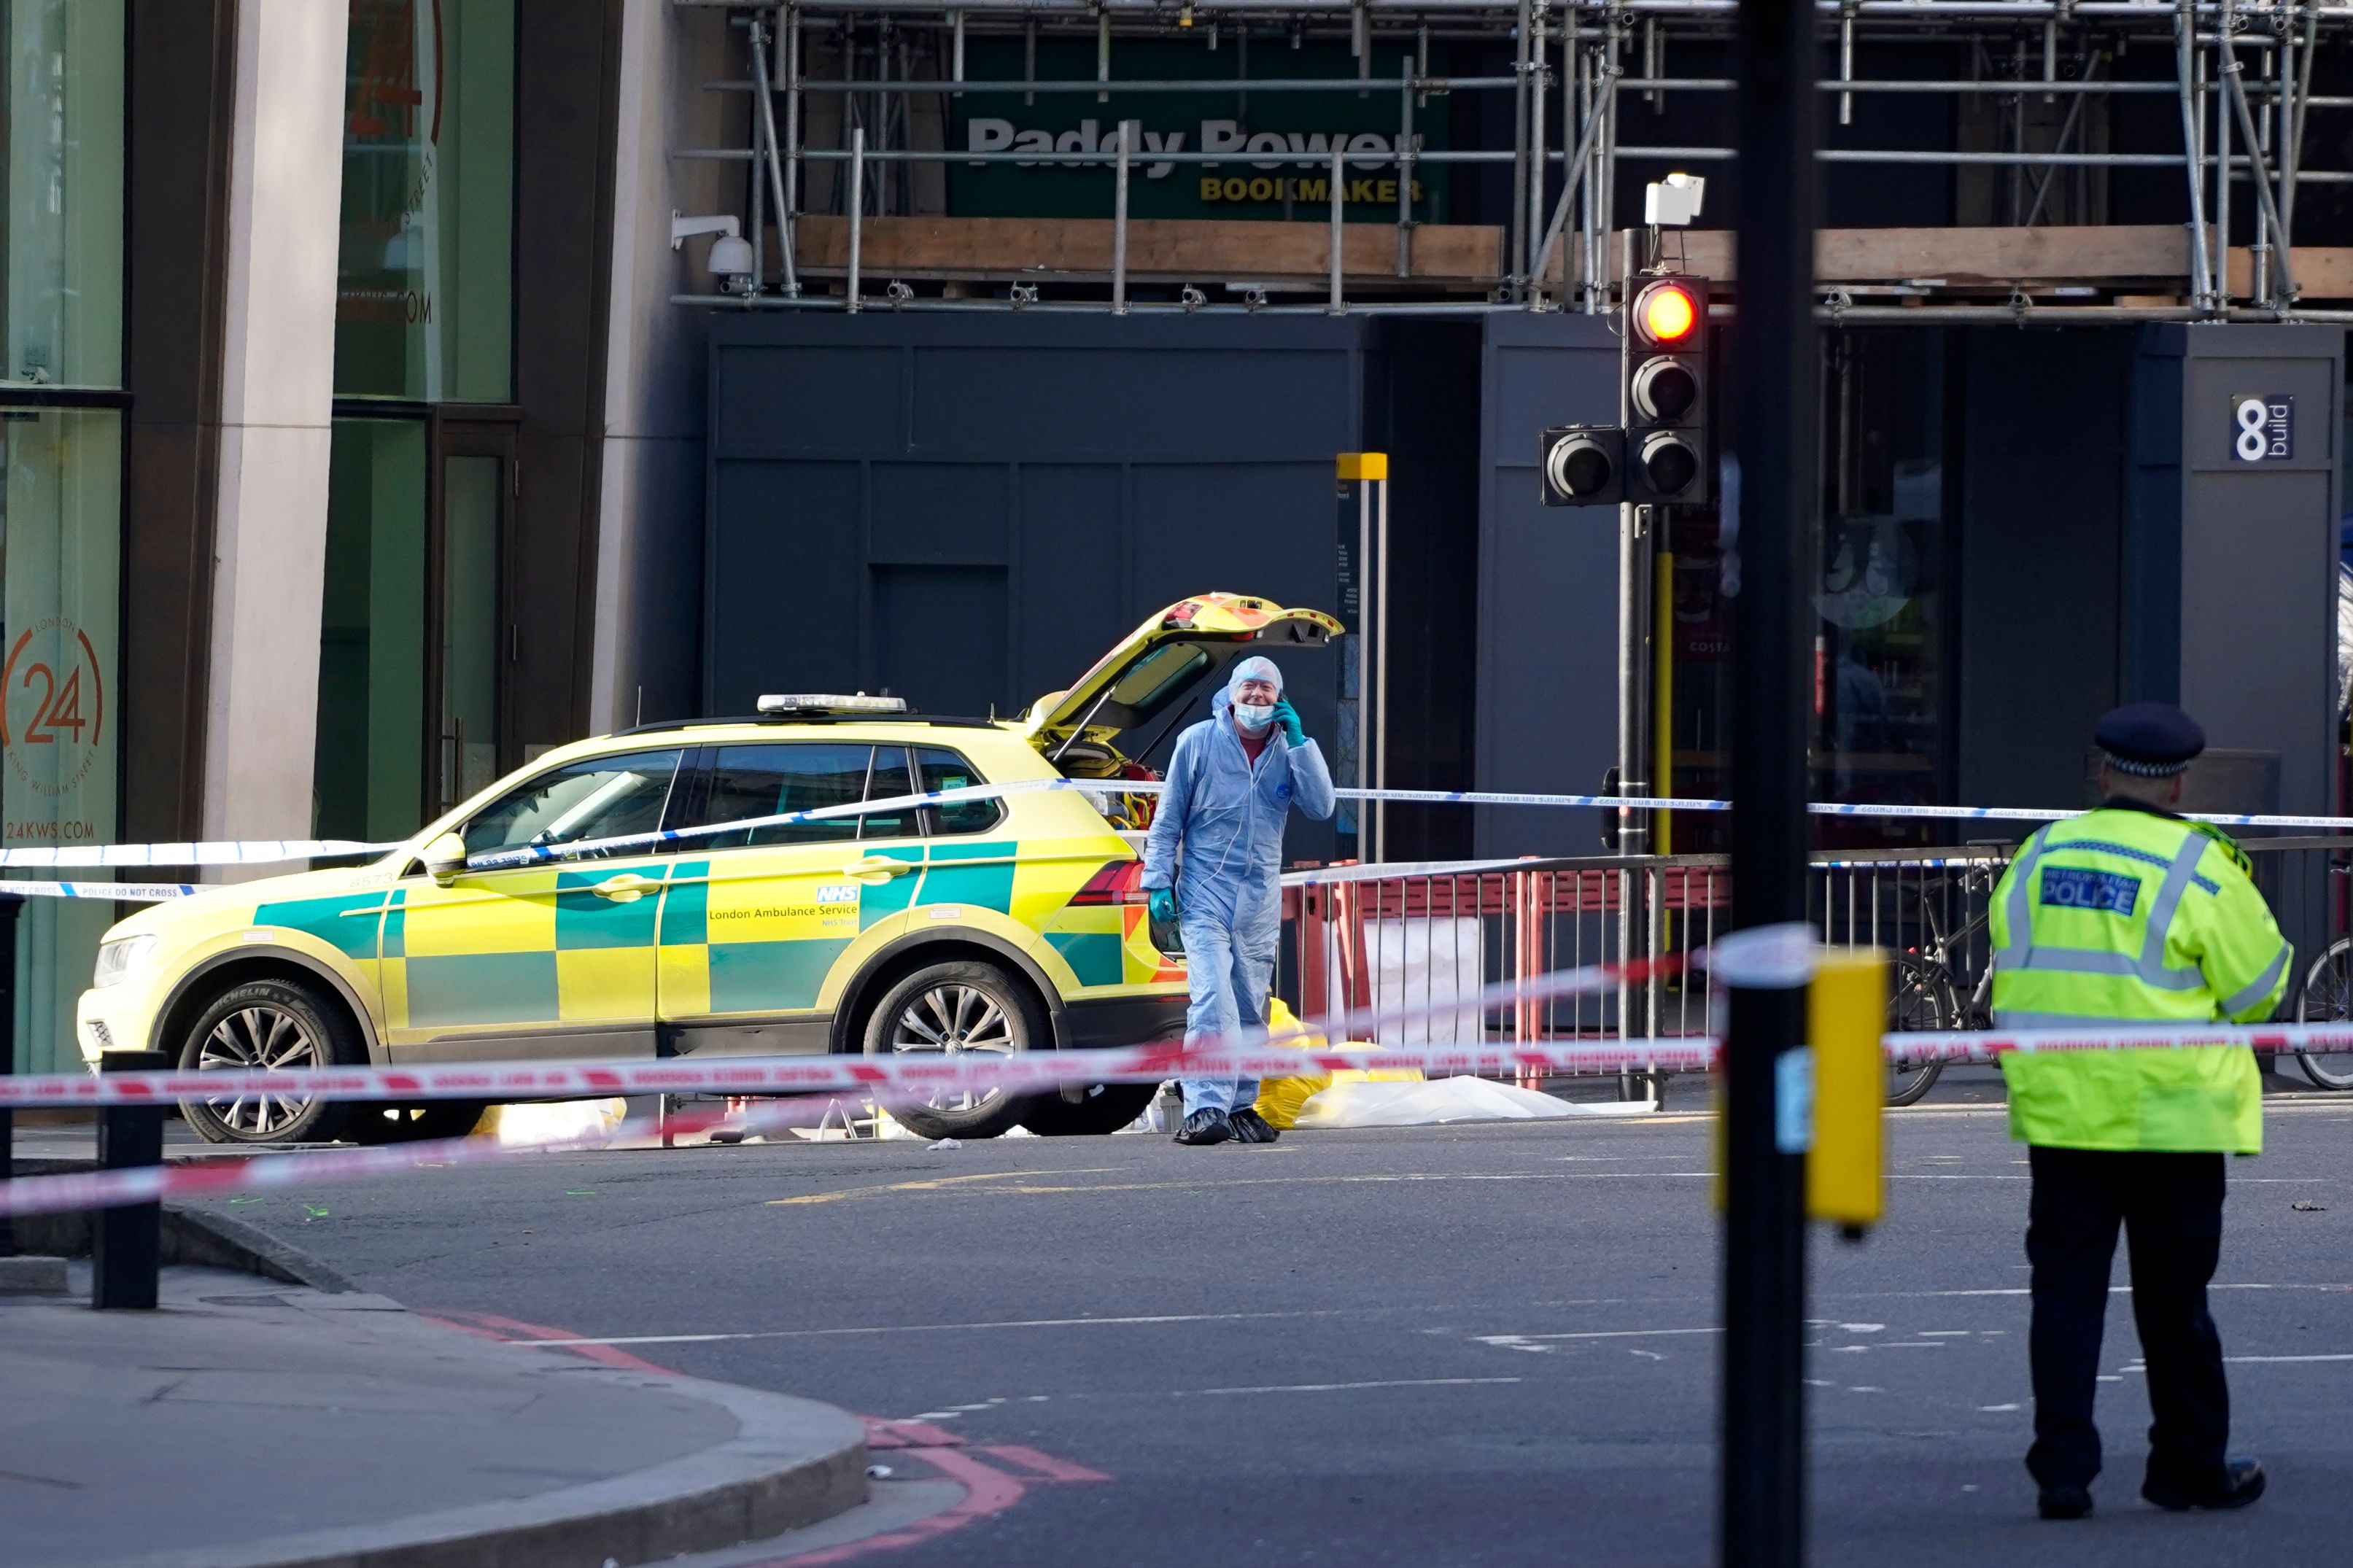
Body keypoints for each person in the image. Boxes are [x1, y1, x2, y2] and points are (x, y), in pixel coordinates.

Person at [1988, 701, 2291, 1522]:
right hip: (2172, 1116)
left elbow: (2010, 957)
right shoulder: (2201, 867)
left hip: (2063, 1111)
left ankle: (2062, 1472)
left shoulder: (2040, 853)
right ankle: (2187, 1466)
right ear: (2179, 783)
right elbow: (2259, 989)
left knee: (2064, 1295)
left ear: (2102, 771)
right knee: (2174, 1302)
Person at [1140, 655, 1335, 1146]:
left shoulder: (1287, 750)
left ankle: (1242, 1105)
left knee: (1251, 1007)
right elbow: (1168, 819)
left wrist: (1301, 744)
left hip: (1258, 901)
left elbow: (1321, 806)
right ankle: (1205, 1107)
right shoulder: (1197, 742)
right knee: (1212, 1000)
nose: (1256, 696)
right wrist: (1158, 880)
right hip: (1205, 894)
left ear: (1280, 699)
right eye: (1248, 686)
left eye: (1267, 689)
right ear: (1231, 693)